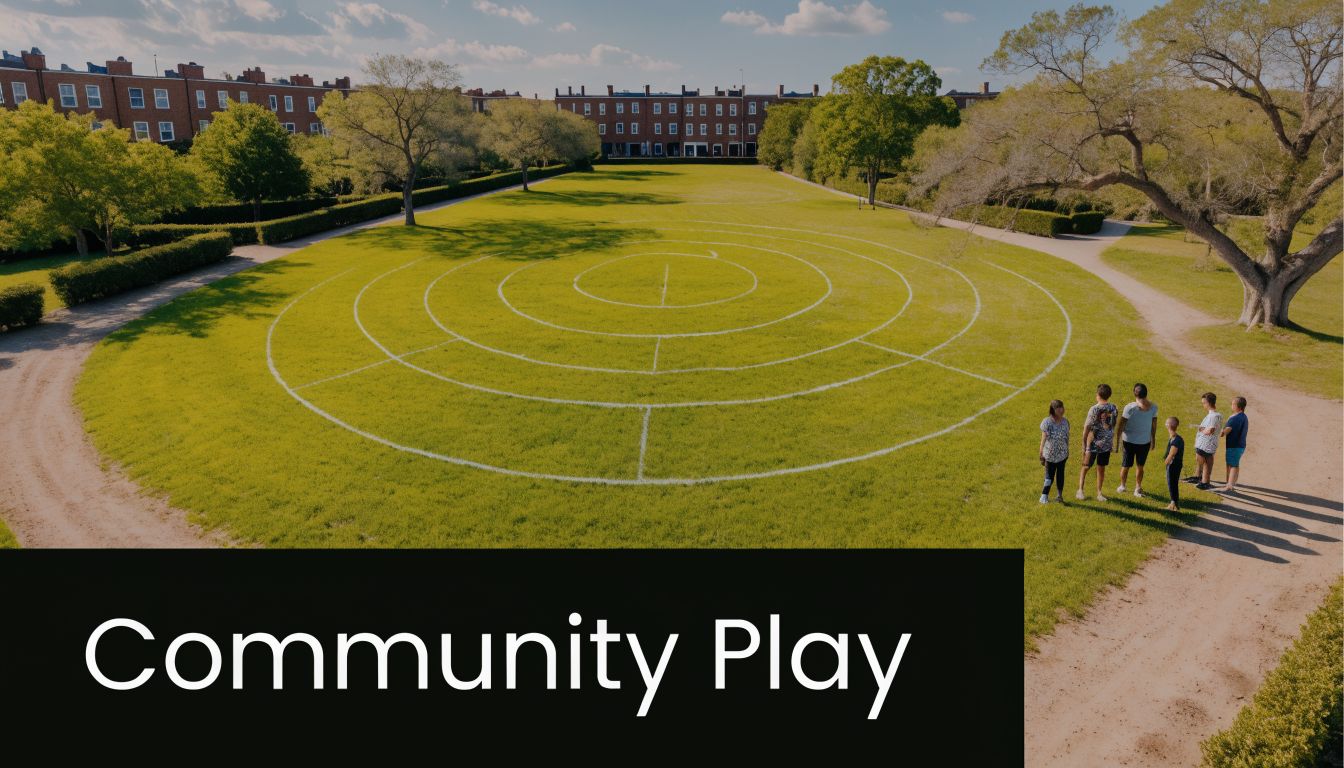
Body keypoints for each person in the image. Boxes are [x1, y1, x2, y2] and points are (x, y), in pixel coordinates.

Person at [1115, 383, 1158, 498]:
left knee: (1126, 465)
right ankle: (1137, 488)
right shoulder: (1154, 407)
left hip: (1128, 442)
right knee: (1140, 466)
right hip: (1144, 442)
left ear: (1135, 393)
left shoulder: (1130, 408)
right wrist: (1153, 439)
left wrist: (1117, 441)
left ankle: (1122, 486)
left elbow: (1120, 425)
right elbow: (1154, 425)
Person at [1076, 384, 1117, 501]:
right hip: (1106, 444)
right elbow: (1112, 425)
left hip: (1092, 444)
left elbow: (1087, 428)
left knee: (1085, 466)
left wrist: (1084, 445)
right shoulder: (1114, 408)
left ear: (1098, 395)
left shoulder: (1093, 409)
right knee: (1101, 468)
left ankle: (1080, 490)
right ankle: (1099, 493)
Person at [1039, 400, 1070, 504]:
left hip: (1062, 455)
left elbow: (1067, 438)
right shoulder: (1047, 422)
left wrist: (1067, 450)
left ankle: (1059, 496)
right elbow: (1043, 439)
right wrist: (1041, 453)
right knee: (1049, 476)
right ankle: (1044, 496)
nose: (1062, 410)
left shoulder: (1066, 422)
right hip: (1049, 455)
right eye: (1059, 408)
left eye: (1062, 407)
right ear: (1053, 410)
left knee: (1060, 475)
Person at [1194, 392, 1222, 490]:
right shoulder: (1216, 415)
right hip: (1208, 443)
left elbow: (1210, 430)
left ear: (1208, 403)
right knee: (1207, 462)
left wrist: (1202, 429)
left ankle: (1204, 483)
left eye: (1204, 403)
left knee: (1206, 463)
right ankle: (1204, 481)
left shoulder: (1213, 416)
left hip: (1206, 444)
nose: (1203, 405)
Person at [1220, 396, 1248, 491]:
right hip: (1241, 445)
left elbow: (1225, 432)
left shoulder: (1234, 419)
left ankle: (1229, 485)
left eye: (1233, 404)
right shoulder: (1244, 417)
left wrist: (1221, 432)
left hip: (1233, 446)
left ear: (1238, 406)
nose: (1231, 405)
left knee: (1232, 465)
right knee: (1235, 463)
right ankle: (1233, 482)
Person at [1162, 416, 1185, 512]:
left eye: (1166, 423)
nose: (1165, 424)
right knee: (1173, 483)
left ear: (1169, 425)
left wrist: (1166, 462)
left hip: (1173, 465)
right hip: (1175, 465)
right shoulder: (1174, 437)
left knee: (1172, 484)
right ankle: (1174, 503)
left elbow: (1172, 453)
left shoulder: (1176, 440)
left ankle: (1173, 503)